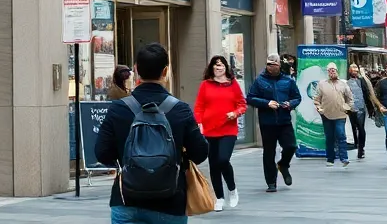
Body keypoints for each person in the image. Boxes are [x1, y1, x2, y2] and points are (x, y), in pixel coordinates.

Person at [95, 42, 209, 223]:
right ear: (165, 71)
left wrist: (125, 160)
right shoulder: (180, 110)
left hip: (126, 200)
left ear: (136, 69)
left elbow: (101, 152)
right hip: (171, 202)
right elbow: (200, 153)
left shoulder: (118, 109)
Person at [194, 55, 247, 210]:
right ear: (212, 68)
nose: (218, 68)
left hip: (228, 128)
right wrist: (199, 123)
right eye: (216, 65)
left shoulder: (233, 84)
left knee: (223, 159)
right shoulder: (205, 85)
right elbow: (199, 106)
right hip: (210, 130)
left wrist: (235, 113)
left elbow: (242, 104)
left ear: (226, 67)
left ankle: (232, 189)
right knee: (213, 165)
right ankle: (219, 198)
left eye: (221, 65)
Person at [245, 53, 301, 193]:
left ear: (279, 66)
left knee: (291, 146)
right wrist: (267, 103)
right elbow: (250, 98)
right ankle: (271, 182)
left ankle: (283, 164)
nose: (271, 67)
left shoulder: (288, 80)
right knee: (269, 152)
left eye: (274, 65)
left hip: (284, 120)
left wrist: (290, 104)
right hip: (267, 122)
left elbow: (297, 97)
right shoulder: (260, 81)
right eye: (269, 65)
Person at [314, 62, 353, 167]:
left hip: (340, 115)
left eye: (334, 70)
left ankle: (344, 158)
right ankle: (330, 159)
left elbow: (350, 98)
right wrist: (319, 108)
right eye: (330, 70)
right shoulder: (322, 84)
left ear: (337, 71)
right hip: (326, 115)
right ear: (327, 72)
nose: (332, 72)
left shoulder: (343, 84)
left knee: (341, 135)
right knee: (329, 137)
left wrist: (346, 108)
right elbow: (317, 99)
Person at [346, 63, 382, 159]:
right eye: (353, 70)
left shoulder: (362, 81)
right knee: (354, 128)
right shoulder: (346, 82)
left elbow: (368, 93)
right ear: (349, 71)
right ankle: (356, 144)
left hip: (361, 108)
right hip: (350, 109)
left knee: (361, 128)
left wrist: (373, 107)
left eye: (356, 70)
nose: (355, 71)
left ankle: (361, 149)